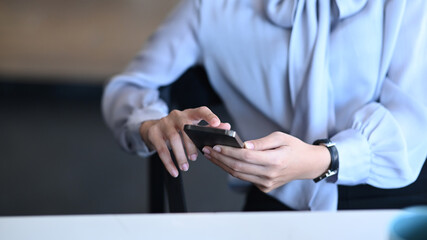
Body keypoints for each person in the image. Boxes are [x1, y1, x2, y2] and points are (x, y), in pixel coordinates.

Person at [102, 0, 427, 211]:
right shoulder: (209, 9)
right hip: (276, 195)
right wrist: (152, 124)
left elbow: (414, 120)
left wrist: (321, 159)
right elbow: (128, 88)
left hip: (397, 191)